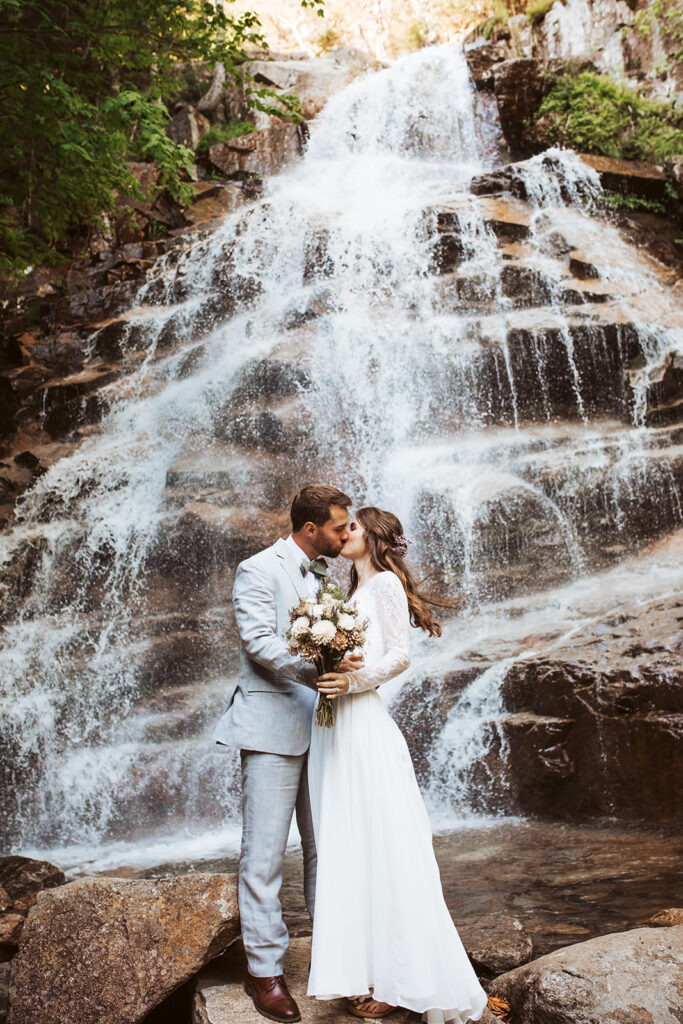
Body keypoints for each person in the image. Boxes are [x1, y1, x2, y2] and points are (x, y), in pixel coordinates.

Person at [306, 506, 488, 1024]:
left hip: (363, 722)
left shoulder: (384, 584)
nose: (344, 534)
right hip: (337, 727)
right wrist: (330, 668)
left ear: (376, 538)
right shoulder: (348, 594)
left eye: (353, 528)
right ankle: (368, 969)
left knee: (383, 844)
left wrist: (351, 682)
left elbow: (401, 655)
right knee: (353, 843)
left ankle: (400, 980)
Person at [213, 483, 362, 1024]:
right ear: (308, 529)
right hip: (272, 725)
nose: (348, 534)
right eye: (339, 527)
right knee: (265, 855)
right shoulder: (257, 569)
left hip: (324, 728)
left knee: (327, 850)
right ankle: (265, 972)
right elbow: (258, 641)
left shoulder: (328, 573)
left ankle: (337, 960)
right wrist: (317, 668)